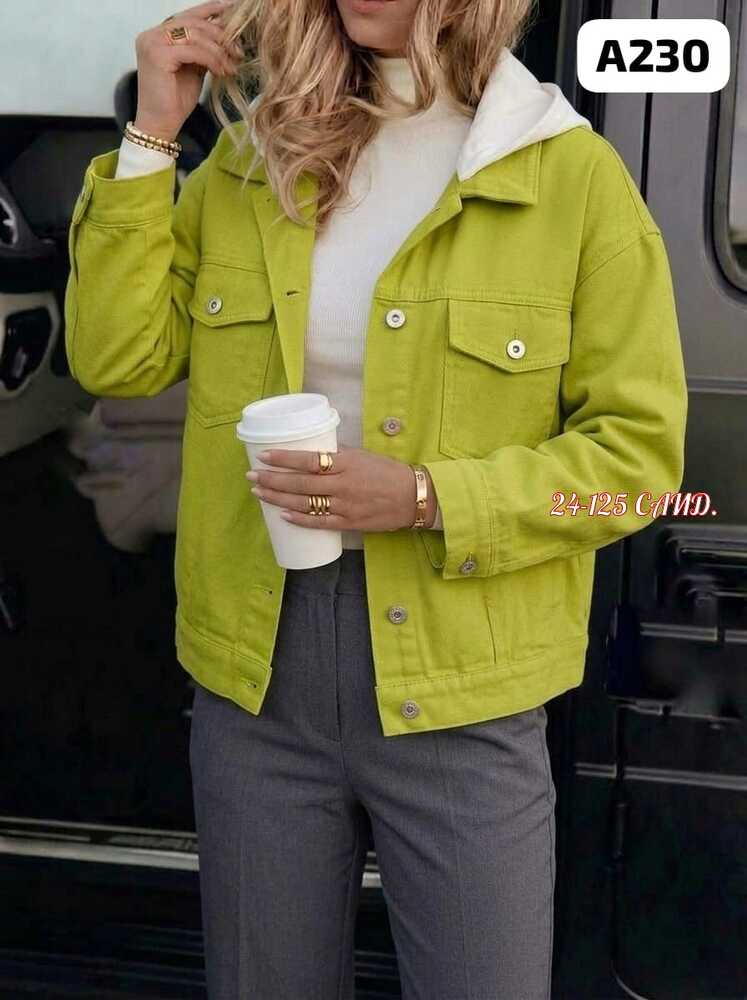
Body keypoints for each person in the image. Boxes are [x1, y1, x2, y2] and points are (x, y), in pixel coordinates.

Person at [64, 1, 689, 997]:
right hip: (255, 673)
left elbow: (635, 465)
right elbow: (117, 356)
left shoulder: (567, 176)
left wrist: (428, 496)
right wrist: (151, 136)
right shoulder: (251, 162)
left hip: (465, 683)